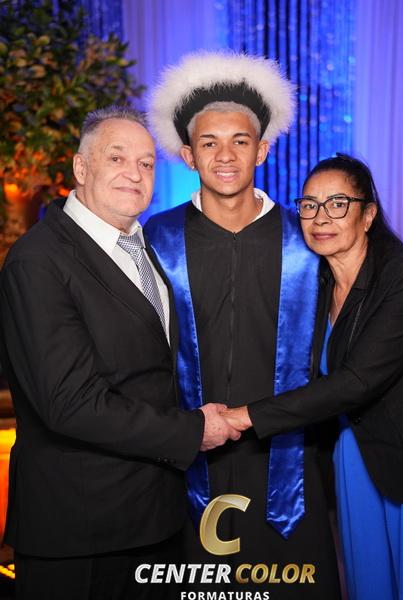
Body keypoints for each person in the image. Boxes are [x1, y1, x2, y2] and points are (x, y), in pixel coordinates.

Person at [0, 105, 240, 600]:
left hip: (153, 518)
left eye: (147, 163)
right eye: (117, 158)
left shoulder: (140, 246)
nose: (135, 173)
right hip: (80, 531)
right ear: (81, 167)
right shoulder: (38, 261)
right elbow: (70, 404)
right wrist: (194, 430)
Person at [145, 52, 341, 599]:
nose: (226, 155)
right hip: (187, 459)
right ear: (188, 155)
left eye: (240, 140)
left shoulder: (307, 240)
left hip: (289, 462)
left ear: (263, 148)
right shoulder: (156, 239)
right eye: (209, 143)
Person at [224, 154, 403, 600]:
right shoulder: (317, 284)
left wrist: (242, 417)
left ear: (368, 215)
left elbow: (356, 382)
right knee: (368, 586)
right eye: (309, 205)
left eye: (337, 204)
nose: (320, 217)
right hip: (355, 458)